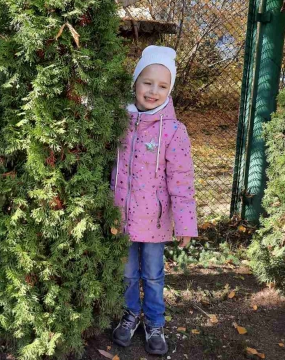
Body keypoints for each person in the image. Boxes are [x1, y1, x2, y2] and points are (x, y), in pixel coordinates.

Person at [111, 46, 198, 355]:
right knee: (127, 273)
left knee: (153, 274)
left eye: (163, 85)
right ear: (135, 82)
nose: (153, 90)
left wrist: (186, 224)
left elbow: (182, 180)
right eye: (147, 82)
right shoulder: (118, 122)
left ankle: (155, 322)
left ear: (170, 90)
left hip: (155, 223)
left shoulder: (174, 131)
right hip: (121, 218)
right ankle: (131, 314)